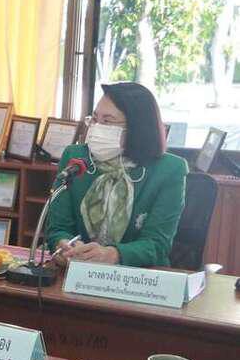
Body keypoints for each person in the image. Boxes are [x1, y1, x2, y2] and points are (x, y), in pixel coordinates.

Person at [47, 82, 188, 267]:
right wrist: (64, 246)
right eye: (94, 119)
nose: (96, 127)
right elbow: (57, 228)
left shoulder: (170, 169)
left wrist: (113, 255)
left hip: (139, 277)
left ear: (137, 128)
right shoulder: (76, 158)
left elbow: (157, 245)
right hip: (75, 272)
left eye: (107, 121)